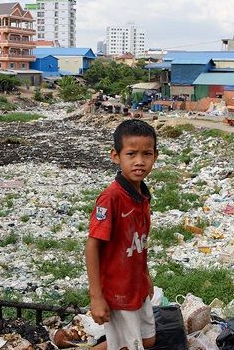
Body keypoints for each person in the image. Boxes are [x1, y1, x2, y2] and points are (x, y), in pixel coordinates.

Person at [85, 119, 158, 350]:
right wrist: (96, 297)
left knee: (148, 340)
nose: (139, 161)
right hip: (118, 291)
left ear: (155, 155)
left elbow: (139, 243)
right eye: (131, 154)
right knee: (130, 346)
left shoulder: (142, 195)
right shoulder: (111, 198)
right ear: (116, 156)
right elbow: (92, 246)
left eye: (147, 154)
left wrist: (145, 275)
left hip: (135, 285)